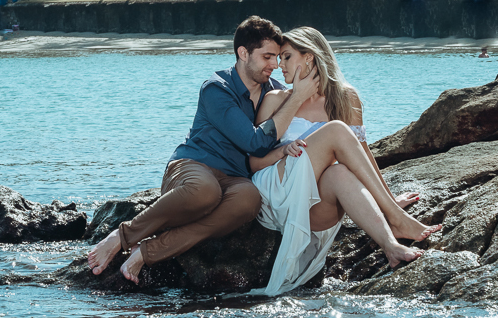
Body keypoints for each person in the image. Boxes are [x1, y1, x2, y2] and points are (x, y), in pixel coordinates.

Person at [86, 16, 321, 284]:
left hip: (235, 179)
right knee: (205, 191)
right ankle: (122, 236)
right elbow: (254, 142)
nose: (275, 65)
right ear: (243, 53)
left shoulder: (276, 94)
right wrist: (297, 97)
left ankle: (147, 251)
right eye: (267, 57)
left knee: (250, 200)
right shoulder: (217, 89)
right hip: (193, 166)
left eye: (278, 57)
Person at [247, 27, 439, 295]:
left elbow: (361, 153)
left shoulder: (345, 97)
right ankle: (397, 219)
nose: (279, 65)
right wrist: (283, 149)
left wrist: (388, 197)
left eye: (287, 57)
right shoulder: (275, 99)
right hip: (276, 192)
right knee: (336, 130)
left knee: (339, 174)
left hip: (313, 206)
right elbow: (254, 165)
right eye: (279, 58)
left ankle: (391, 246)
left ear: (310, 58)